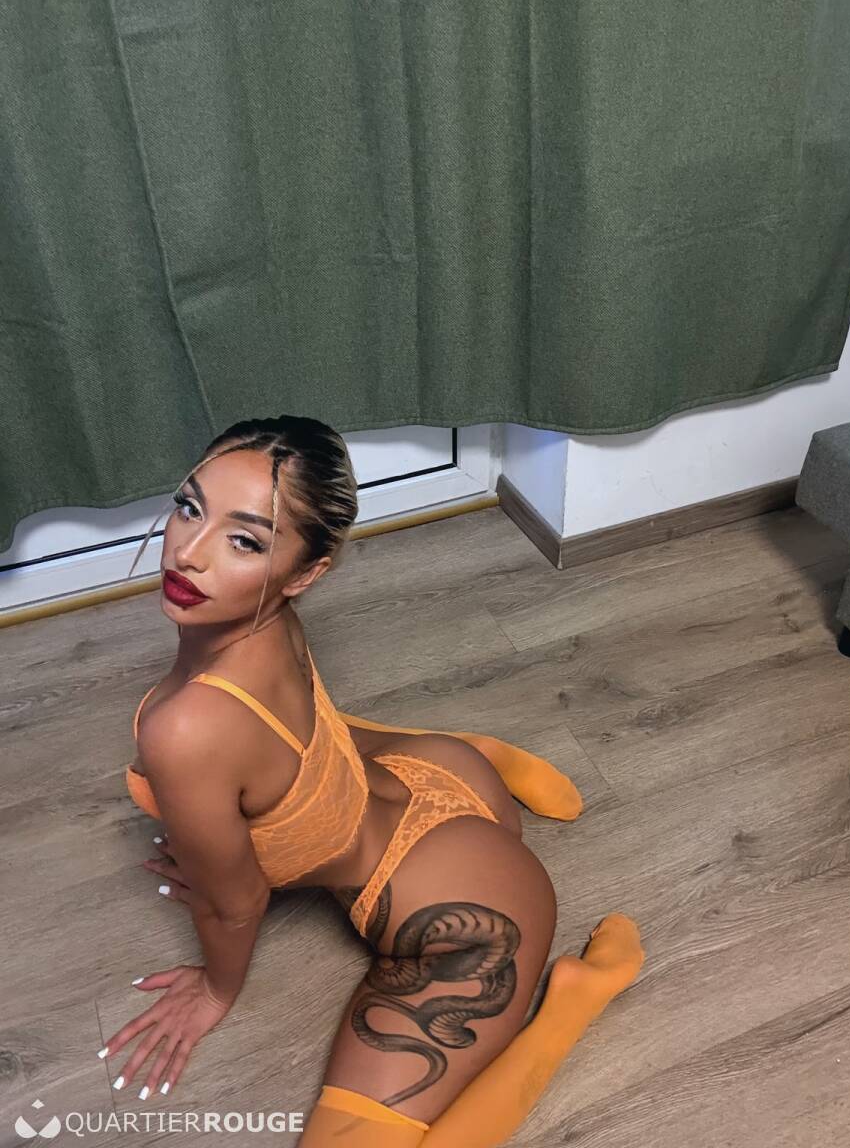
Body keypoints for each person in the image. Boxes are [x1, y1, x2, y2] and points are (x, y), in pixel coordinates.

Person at [100, 414, 645, 1146]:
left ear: (304, 574)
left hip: (475, 924)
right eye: (190, 508)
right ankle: (488, 757)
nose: (188, 553)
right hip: (440, 775)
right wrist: (221, 846)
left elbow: (236, 906)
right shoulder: (264, 615)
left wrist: (215, 988)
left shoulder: (187, 729)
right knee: (323, 740)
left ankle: (575, 1000)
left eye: (245, 540)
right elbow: (298, 738)